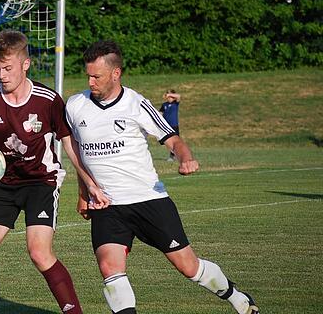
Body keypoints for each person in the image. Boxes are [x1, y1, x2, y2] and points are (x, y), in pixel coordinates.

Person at [64, 40, 259, 314]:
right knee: (110, 268)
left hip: (148, 200)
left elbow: (174, 140)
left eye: (97, 76)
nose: (90, 81)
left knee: (188, 267)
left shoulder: (136, 104)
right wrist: (84, 193)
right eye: (88, 75)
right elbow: (77, 152)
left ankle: (236, 296)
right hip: (107, 206)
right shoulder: (75, 105)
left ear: (116, 73)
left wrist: (186, 158)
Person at [0, 30, 105, 314]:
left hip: (41, 182)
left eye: (8, 68)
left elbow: (70, 145)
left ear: (25, 64)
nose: (2, 75)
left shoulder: (48, 100)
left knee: (39, 252)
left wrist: (89, 186)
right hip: (3, 184)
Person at [159, 89, 181, 161]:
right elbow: (160, 114)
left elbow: (178, 96)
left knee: (175, 141)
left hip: (174, 126)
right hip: (166, 127)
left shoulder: (175, 103)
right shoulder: (164, 105)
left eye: (170, 96)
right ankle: (173, 155)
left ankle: (173, 156)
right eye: (168, 96)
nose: (168, 98)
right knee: (166, 142)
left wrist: (169, 94)